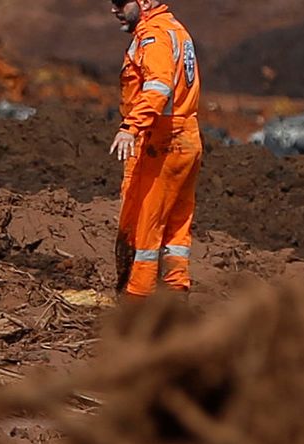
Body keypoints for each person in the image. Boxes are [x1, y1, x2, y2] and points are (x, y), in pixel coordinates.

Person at [108, 0, 201, 300]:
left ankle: (138, 300)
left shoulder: (155, 35)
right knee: (176, 224)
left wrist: (130, 127)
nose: (114, 9)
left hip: (163, 140)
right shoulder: (176, 30)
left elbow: (158, 86)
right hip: (186, 137)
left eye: (121, 2)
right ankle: (175, 295)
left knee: (146, 224)